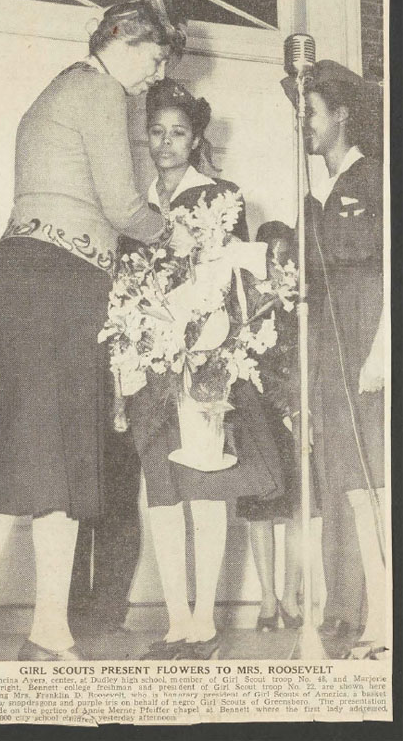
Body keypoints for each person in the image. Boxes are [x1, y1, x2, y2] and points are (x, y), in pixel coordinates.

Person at [0, 0, 186, 662]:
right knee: (21, 460)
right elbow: (124, 207)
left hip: (49, 280)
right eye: (155, 56)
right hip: (52, 283)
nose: (156, 73)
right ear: (124, 39)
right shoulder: (98, 90)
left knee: (57, 465)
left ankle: (49, 629)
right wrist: (179, 234)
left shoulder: (65, 86)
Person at [123, 79, 286, 659]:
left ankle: (206, 622)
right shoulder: (134, 205)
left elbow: (236, 282)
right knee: (162, 490)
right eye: (157, 132)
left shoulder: (221, 195)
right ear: (145, 137)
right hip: (148, 365)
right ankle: (175, 624)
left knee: (207, 486)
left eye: (178, 133)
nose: (166, 143)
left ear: (196, 141)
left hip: (206, 359)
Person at [284, 60, 385, 655]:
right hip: (326, 346)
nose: (304, 123)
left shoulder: (373, 177)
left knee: (371, 481)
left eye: (311, 111)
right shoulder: (313, 191)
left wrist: (380, 351)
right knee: (339, 481)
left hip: (364, 340)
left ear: (342, 115)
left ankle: (381, 617)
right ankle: (349, 613)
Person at [236, 221, 306, 632]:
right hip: (257, 413)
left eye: (285, 255)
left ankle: (291, 596)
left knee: (299, 506)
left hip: (293, 411)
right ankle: (266, 599)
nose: (278, 262)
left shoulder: (299, 301)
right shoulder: (243, 300)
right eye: (271, 255)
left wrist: (299, 409)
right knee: (259, 509)